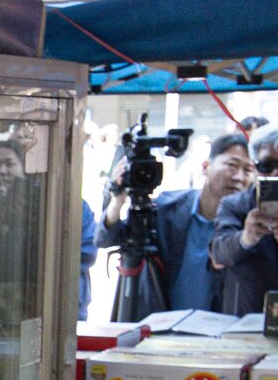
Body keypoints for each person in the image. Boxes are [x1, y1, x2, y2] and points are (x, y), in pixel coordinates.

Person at [97, 132, 256, 313]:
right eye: (231, 165)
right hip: (161, 327)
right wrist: (117, 201)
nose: (239, 177)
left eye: (248, 170)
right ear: (206, 166)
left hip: (221, 332)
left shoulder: (250, 226)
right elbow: (106, 239)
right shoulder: (169, 207)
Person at [212, 122, 278, 316]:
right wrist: (246, 238)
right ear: (255, 166)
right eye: (267, 166)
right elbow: (218, 252)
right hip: (245, 322)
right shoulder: (234, 205)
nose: (275, 173)